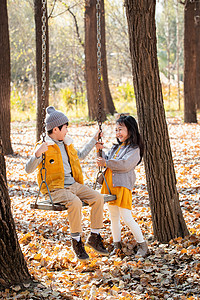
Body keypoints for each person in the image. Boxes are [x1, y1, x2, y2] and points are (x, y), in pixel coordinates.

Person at [25, 106, 109, 261]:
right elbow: (28, 169)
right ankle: (76, 242)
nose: (67, 131)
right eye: (65, 127)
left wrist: (94, 139)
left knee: (98, 197)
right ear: (55, 129)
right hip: (55, 188)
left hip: (73, 185)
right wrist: (37, 153)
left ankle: (94, 237)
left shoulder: (67, 144)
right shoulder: (44, 146)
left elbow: (81, 155)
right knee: (75, 202)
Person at [96, 115, 149, 258]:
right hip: (110, 185)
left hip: (122, 186)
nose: (118, 133)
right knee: (113, 217)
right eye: (116, 130)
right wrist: (99, 150)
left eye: (121, 129)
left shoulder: (134, 149)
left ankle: (143, 245)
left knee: (126, 217)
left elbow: (125, 165)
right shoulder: (116, 147)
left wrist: (106, 163)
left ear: (130, 130)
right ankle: (117, 245)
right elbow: (106, 160)